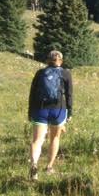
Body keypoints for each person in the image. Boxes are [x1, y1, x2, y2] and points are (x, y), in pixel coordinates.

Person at [28, 50, 73, 180]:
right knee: (55, 138)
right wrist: (69, 112)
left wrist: (30, 111)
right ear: (61, 61)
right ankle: (49, 167)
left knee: (37, 140)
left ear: (47, 60)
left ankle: (34, 165)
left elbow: (32, 93)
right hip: (58, 110)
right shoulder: (66, 73)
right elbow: (69, 95)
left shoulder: (40, 73)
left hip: (40, 109)